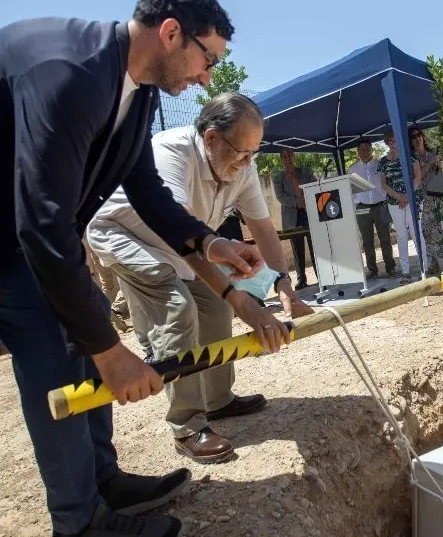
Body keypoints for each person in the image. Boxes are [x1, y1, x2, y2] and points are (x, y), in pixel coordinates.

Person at [0, 0, 285, 536]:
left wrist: (212, 245)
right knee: (56, 335)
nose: (207, 77)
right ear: (171, 34)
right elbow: (44, 223)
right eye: (206, 58)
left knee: (85, 313)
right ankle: (79, 523)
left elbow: (145, 191)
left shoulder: (134, 95)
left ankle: (102, 481)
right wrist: (110, 355)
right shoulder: (70, 71)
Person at [88, 93, 314, 464]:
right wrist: (242, 300)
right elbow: (176, 231)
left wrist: (284, 285)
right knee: (177, 309)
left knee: (213, 308)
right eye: (241, 152)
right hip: (126, 235)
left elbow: (263, 227)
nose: (246, 164)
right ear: (210, 139)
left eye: (254, 154)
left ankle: (217, 399)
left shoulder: (243, 164)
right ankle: (188, 425)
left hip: (188, 245)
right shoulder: (170, 154)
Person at [377, 130, 424, 284]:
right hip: (394, 202)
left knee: (416, 232)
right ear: (387, 142)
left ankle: (425, 268)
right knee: (402, 236)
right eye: (390, 140)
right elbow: (384, 183)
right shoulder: (383, 161)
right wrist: (399, 197)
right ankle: (405, 272)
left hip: (414, 199)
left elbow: (418, 176)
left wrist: (408, 196)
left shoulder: (411, 155)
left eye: (396, 140)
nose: (394, 143)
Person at [409, 126, 443, 275]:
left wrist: (440, 163)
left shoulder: (433, 153)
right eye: (413, 137)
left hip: (439, 196)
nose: (417, 138)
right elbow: (417, 177)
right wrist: (429, 163)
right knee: (429, 231)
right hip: (423, 199)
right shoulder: (411, 159)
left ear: (423, 137)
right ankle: (434, 263)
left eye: (418, 135)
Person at [350, 138, 396, 279]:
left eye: (367, 149)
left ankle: (390, 267)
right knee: (367, 241)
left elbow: (388, 182)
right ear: (358, 151)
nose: (365, 152)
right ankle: (372, 270)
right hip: (362, 210)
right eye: (362, 150)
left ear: (372, 150)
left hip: (381, 206)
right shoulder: (352, 170)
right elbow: (352, 192)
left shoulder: (380, 165)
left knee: (385, 239)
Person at [271, 149, 316, 289]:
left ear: (293, 156)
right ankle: (301, 279)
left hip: (308, 212)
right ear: (281, 159)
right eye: (284, 156)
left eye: (289, 155)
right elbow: (281, 197)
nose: (287, 158)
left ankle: (322, 276)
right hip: (292, 216)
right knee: (297, 249)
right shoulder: (278, 177)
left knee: (315, 245)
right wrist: (298, 202)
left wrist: (305, 200)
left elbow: (314, 186)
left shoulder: (305, 172)